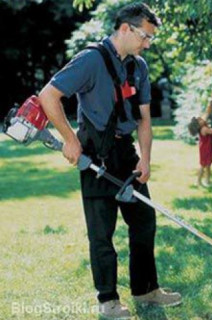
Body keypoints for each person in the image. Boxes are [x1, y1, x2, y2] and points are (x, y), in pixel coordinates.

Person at [38, 3, 181, 319]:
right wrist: (70, 140)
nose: (148, 44)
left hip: (126, 154)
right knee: (101, 232)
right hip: (94, 153)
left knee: (144, 222)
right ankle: (108, 300)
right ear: (126, 28)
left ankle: (146, 291)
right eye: (146, 37)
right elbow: (48, 96)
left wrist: (145, 159)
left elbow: (144, 118)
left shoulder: (138, 66)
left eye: (151, 39)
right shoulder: (90, 60)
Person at [187, 98, 212, 187]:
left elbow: (207, 112)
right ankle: (199, 181)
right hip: (206, 149)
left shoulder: (202, 125)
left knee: (207, 165)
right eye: (200, 119)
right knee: (204, 165)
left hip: (206, 147)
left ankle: (206, 181)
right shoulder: (204, 128)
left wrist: (210, 102)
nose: (202, 118)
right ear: (199, 124)